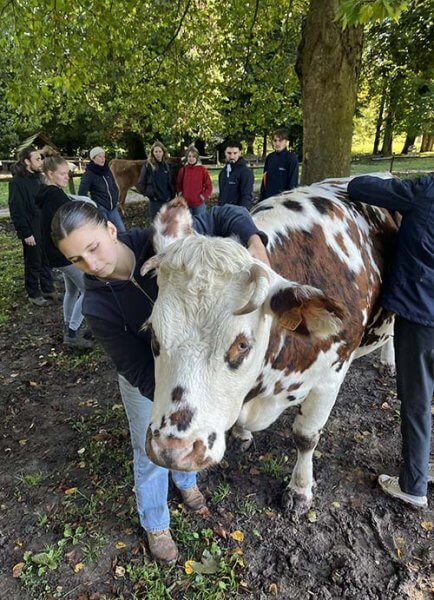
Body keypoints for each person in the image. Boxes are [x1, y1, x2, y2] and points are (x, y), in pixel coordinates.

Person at [50, 199, 269, 563]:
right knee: (152, 447)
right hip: (150, 381)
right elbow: (134, 367)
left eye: (93, 247)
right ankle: (155, 522)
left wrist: (255, 242)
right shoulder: (97, 306)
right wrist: (180, 402)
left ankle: (186, 483)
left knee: (183, 440)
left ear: (110, 229)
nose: (91, 264)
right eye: (76, 260)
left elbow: (226, 213)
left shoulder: (165, 242)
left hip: (198, 366)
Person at [348, 174, 434, 508]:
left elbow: (359, 187)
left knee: (416, 399)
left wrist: (399, 183)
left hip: (423, 316)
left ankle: (413, 486)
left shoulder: (425, 191)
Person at [35, 156, 93, 349]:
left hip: (53, 252)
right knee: (90, 288)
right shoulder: (57, 197)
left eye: (67, 173)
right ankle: (72, 333)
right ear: (50, 174)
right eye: (62, 174)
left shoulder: (47, 193)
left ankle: (68, 325)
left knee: (72, 290)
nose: (66, 177)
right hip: (63, 253)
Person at [8, 146, 55, 307]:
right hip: (31, 228)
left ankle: (48, 289)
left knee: (46, 258)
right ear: (27, 161)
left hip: (44, 226)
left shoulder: (39, 178)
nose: (41, 161)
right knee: (33, 261)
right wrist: (26, 233)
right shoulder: (16, 183)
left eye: (41, 158)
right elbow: (16, 210)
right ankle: (33, 293)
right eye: (37, 159)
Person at [78, 147, 125, 233]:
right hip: (101, 209)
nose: (103, 159)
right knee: (106, 233)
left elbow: (114, 185)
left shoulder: (107, 170)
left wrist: (116, 199)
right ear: (93, 158)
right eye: (99, 157)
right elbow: (81, 194)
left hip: (113, 208)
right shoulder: (89, 174)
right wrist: (94, 206)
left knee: (122, 231)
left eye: (103, 156)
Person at [137, 141, 175, 221]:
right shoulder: (148, 166)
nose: (158, 153)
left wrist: (171, 195)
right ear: (152, 153)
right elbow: (141, 184)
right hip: (155, 202)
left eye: (160, 151)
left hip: (167, 201)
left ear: (163, 152)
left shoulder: (167, 166)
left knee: (167, 225)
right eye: (156, 151)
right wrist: (150, 194)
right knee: (155, 226)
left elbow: (170, 182)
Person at [259, 128, 298, 200]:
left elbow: (293, 183)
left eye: (280, 140)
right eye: (275, 140)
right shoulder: (269, 158)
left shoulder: (291, 158)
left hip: (283, 201)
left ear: (286, 141)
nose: (277, 143)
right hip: (268, 199)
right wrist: (261, 198)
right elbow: (264, 180)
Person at [176, 146, 212, 216]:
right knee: (188, 225)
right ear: (187, 157)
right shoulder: (183, 170)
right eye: (189, 156)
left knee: (200, 224)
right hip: (185, 204)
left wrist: (203, 196)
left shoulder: (202, 170)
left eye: (193, 156)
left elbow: (209, 186)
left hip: (199, 204)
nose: (191, 158)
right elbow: (178, 185)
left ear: (197, 158)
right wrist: (180, 195)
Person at [218, 140, 254, 210]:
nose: (232, 156)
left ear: (240, 153)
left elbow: (246, 197)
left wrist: (241, 215)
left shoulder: (245, 172)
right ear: (225, 153)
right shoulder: (223, 172)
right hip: (223, 213)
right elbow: (221, 196)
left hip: (237, 214)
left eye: (235, 153)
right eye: (229, 153)